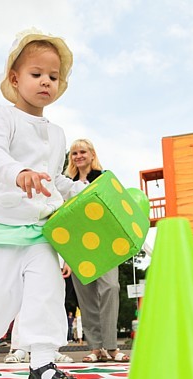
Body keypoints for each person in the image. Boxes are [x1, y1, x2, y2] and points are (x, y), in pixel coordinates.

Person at [0, 28, 85, 379]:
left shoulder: (57, 134)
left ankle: (42, 365)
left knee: (47, 295)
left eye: (53, 77)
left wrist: (84, 190)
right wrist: (18, 172)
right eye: (36, 74)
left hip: (41, 232)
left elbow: (55, 178)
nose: (46, 82)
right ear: (14, 78)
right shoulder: (2, 117)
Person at [66, 138, 128, 363]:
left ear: (92, 155)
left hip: (105, 244)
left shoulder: (104, 179)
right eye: (74, 153)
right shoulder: (66, 183)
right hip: (77, 247)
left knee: (111, 287)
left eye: (83, 151)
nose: (78, 156)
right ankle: (95, 348)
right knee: (86, 296)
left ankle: (111, 346)